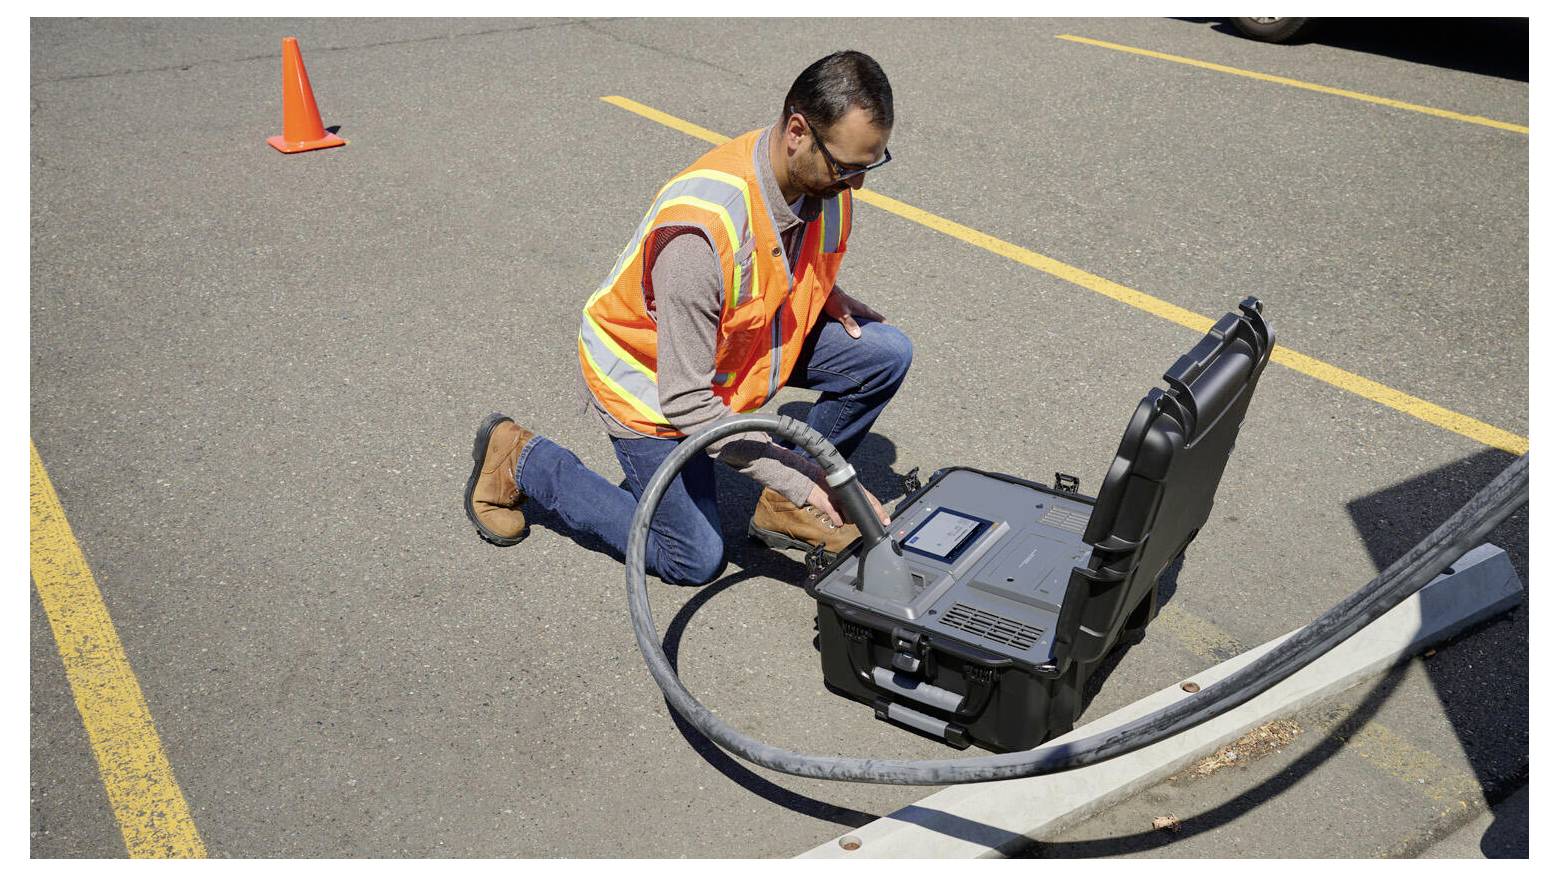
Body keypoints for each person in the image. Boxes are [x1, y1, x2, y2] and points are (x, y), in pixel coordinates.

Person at [463, 50, 911, 586]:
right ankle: (523, 460)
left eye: (869, 166)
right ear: (797, 130)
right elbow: (689, 404)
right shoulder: (699, 238)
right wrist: (811, 477)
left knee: (883, 355)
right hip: (653, 385)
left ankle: (781, 508)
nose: (857, 184)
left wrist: (820, 288)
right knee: (693, 556)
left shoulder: (819, 177)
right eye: (847, 167)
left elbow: (777, 251)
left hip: (729, 350)